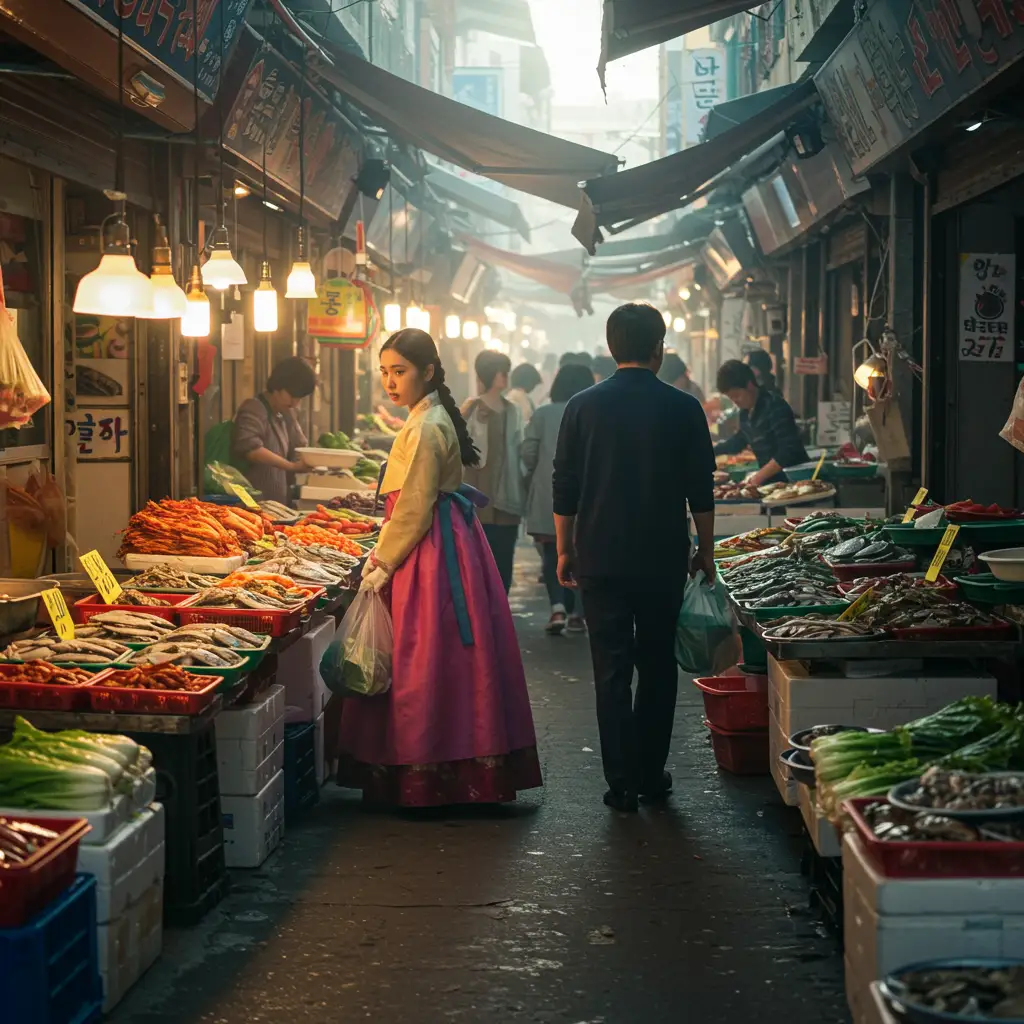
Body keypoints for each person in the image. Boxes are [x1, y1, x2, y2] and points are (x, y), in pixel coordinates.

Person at [338, 329, 542, 807]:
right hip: (444, 543)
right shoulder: (425, 416)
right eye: (384, 372)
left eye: (400, 372)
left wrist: (382, 560)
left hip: (428, 551)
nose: (390, 381)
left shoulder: (428, 424)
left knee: (423, 657)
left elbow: (413, 505)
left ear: (427, 372)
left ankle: (426, 773)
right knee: (448, 660)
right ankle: (454, 768)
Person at [552, 303, 716, 813]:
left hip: (599, 556)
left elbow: (566, 485)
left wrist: (564, 547)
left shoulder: (581, 406)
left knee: (611, 670)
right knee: (658, 666)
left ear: (610, 347)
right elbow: (701, 489)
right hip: (662, 557)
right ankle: (650, 774)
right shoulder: (684, 407)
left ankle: (620, 782)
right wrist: (705, 550)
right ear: (659, 347)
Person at [522, 362, 595, 636]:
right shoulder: (592, 410)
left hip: (549, 492)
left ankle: (557, 608)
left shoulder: (542, 414)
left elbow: (528, 452)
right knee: (584, 552)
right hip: (588, 494)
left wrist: (537, 470)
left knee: (553, 552)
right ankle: (579, 613)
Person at [461, 351, 525, 593]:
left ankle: (501, 615)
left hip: (507, 498)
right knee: (476, 563)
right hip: (476, 501)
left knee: (504, 561)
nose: (505, 377)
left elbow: (520, 449)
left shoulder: (514, 410)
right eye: (502, 372)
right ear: (491, 375)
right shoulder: (470, 408)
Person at [231, 356, 316, 504]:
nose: (295, 403)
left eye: (299, 398)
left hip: (276, 505)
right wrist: (291, 467)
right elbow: (252, 449)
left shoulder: (282, 414)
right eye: (292, 396)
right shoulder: (254, 408)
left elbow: (300, 446)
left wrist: (291, 417)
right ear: (278, 386)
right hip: (254, 505)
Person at [713, 359, 808, 487]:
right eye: (731, 397)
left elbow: (789, 450)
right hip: (772, 485)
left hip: (795, 482)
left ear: (750, 385)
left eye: (737, 395)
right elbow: (739, 441)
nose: (735, 401)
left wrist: (758, 477)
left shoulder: (775, 405)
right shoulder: (745, 414)